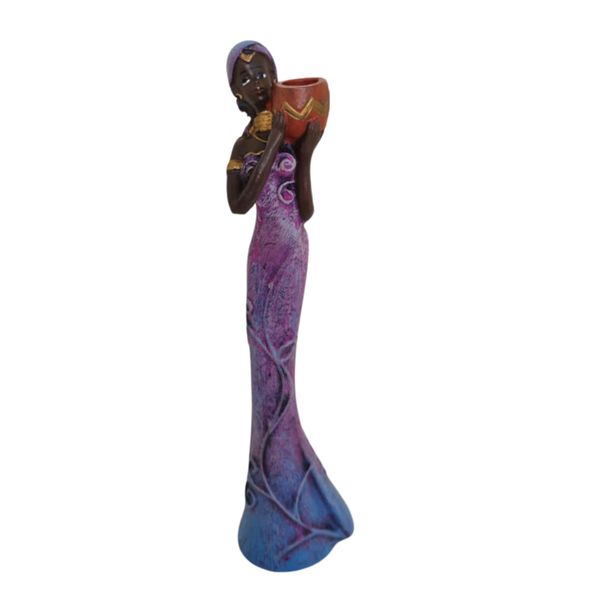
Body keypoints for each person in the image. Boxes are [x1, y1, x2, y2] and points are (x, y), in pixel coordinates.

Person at [226, 41, 353, 572]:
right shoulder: (246, 143)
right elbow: (237, 202)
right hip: (264, 261)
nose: (258, 84)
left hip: (295, 253)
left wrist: (308, 152)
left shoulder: (287, 136)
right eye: (247, 79)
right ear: (236, 95)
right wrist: (275, 138)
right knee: (268, 373)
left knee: (285, 371)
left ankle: (291, 498)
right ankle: (271, 497)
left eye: (265, 74)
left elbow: (305, 206)